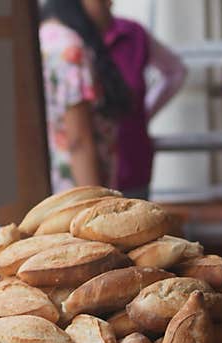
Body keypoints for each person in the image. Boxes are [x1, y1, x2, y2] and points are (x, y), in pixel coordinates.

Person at [80, 0, 188, 199]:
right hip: (87, 175)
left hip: (131, 162)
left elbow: (176, 71)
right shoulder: (69, 42)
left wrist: (145, 111)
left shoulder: (133, 34)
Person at [39, 0, 132, 194]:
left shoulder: (44, 36)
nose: (110, 3)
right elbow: (78, 141)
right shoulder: (71, 50)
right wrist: (96, 208)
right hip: (79, 199)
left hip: (57, 195)